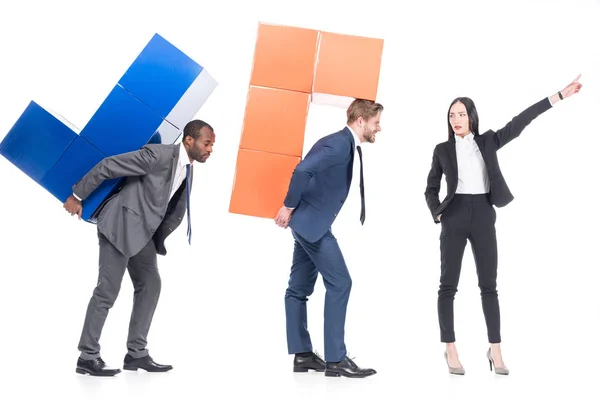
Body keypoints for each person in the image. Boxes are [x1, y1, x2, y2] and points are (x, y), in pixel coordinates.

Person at [424, 75, 582, 375]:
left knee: (489, 286)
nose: (456, 119)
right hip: (454, 216)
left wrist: (558, 96)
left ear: (471, 116)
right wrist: (438, 212)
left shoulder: (488, 141)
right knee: (448, 286)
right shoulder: (441, 150)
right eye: (451, 115)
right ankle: (450, 348)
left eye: (461, 113)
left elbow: (521, 120)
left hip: (483, 213)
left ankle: (495, 350)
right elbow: (430, 187)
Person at [63, 120, 215, 376]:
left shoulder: (188, 167)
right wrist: (77, 197)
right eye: (207, 143)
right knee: (107, 292)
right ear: (189, 140)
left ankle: (136, 354)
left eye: (212, 145)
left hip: (142, 232)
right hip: (120, 224)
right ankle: (87, 357)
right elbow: (109, 165)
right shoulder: (158, 155)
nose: (210, 149)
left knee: (151, 284)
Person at [274, 98, 383, 378]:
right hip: (312, 225)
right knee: (341, 283)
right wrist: (288, 206)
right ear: (360, 121)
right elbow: (302, 170)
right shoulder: (337, 144)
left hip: (310, 223)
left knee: (297, 288)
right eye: (376, 122)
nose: (379, 128)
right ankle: (336, 359)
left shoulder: (344, 144)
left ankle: (302, 355)